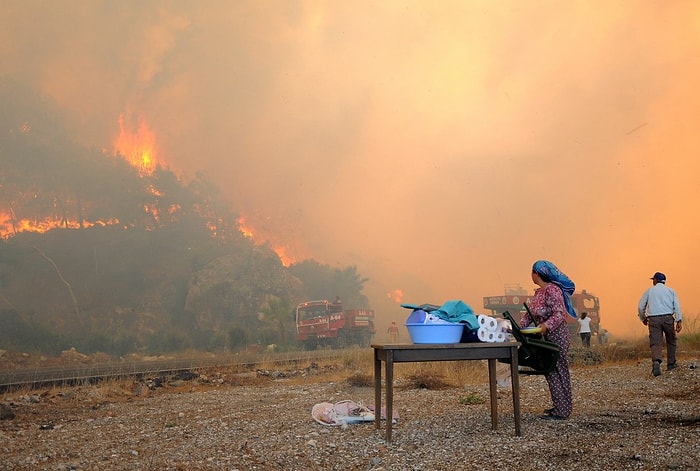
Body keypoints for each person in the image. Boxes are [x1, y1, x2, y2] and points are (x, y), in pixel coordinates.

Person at [521, 260, 575, 420]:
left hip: (557, 335)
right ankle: (559, 406)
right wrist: (518, 327)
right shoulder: (539, 293)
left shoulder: (553, 290)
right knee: (550, 371)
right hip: (544, 338)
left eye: (531, 272)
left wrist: (544, 326)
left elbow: (559, 314)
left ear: (536, 274)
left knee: (559, 370)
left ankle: (563, 411)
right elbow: (529, 315)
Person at [638, 271, 683, 376]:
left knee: (655, 342)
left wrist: (643, 318)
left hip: (653, 319)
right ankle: (671, 364)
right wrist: (679, 320)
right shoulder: (671, 291)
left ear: (655, 280)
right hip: (668, 318)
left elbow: (641, 307)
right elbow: (677, 306)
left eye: (653, 279)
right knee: (671, 340)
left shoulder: (649, 291)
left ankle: (656, 361)